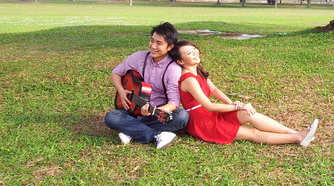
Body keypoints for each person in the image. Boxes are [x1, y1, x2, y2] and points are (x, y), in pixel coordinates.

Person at [169, 40, 318, 146]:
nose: (195, 53)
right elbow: (209, 106)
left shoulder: (197, 72)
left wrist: (232, 104)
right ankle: (297, 138)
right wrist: (237, 107)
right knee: (251, 133)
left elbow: (214, 90)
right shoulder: (188, 79)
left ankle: (294, 132)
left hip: (213, 114)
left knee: (249, 114)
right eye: (189, 53)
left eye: (194, 49)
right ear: (180, 61)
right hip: (203, 122)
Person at [104, 22, 189, 149]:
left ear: (170, 47)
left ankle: (132, 131)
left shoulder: (173, 69)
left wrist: (155, 111)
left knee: (182, 116)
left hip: (156, 115)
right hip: (133, 111)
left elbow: (174, 103)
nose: (153, 46)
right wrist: (121, 91)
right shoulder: (139, 57)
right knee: (111, 117)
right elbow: (116, 72)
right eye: (152, 40)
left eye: (159, 43)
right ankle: (156, 135)